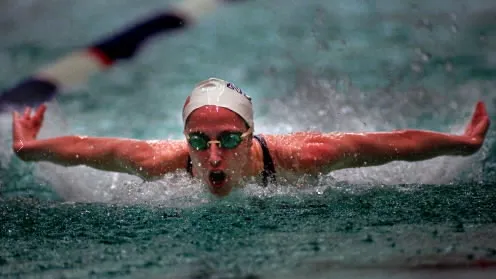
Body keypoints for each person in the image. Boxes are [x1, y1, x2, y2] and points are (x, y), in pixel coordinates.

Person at [11, 78, 490, 197]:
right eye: (198, 141)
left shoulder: (302, 157)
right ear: (184, 138)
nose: (213, 155)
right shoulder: (162, 161)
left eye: (228, 140)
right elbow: (94, 151)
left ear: (251, 134)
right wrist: (28, 149)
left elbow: (390, 145)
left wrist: (460, 143)